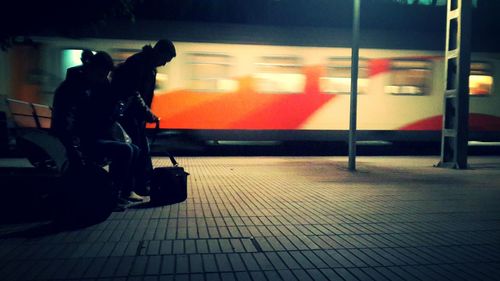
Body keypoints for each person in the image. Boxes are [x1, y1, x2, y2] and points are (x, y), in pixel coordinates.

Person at [51, 51, 139, 211]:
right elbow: (64, 122)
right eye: (100, 75)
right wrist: (73, 148)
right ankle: (111, 196)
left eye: (105, 76)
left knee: (134, 149)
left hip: (90, 136)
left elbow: (99, 116)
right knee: (125, 150)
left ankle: (119, 193)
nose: (102, 79)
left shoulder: (93, 86)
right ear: (90, 69)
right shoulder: (71, 88)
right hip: (79, 141)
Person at [111, 39, 176, 200]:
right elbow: (133, 92)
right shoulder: (139, 63)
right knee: (135, 151)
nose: (165, 64)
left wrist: (146, 113)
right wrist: (148, 113)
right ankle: (126, 190)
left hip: (135, 116)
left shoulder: (147, 65)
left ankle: (139, 186)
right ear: (159, 52)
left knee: (142, 151)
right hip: (127, 115)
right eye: (166, 59)